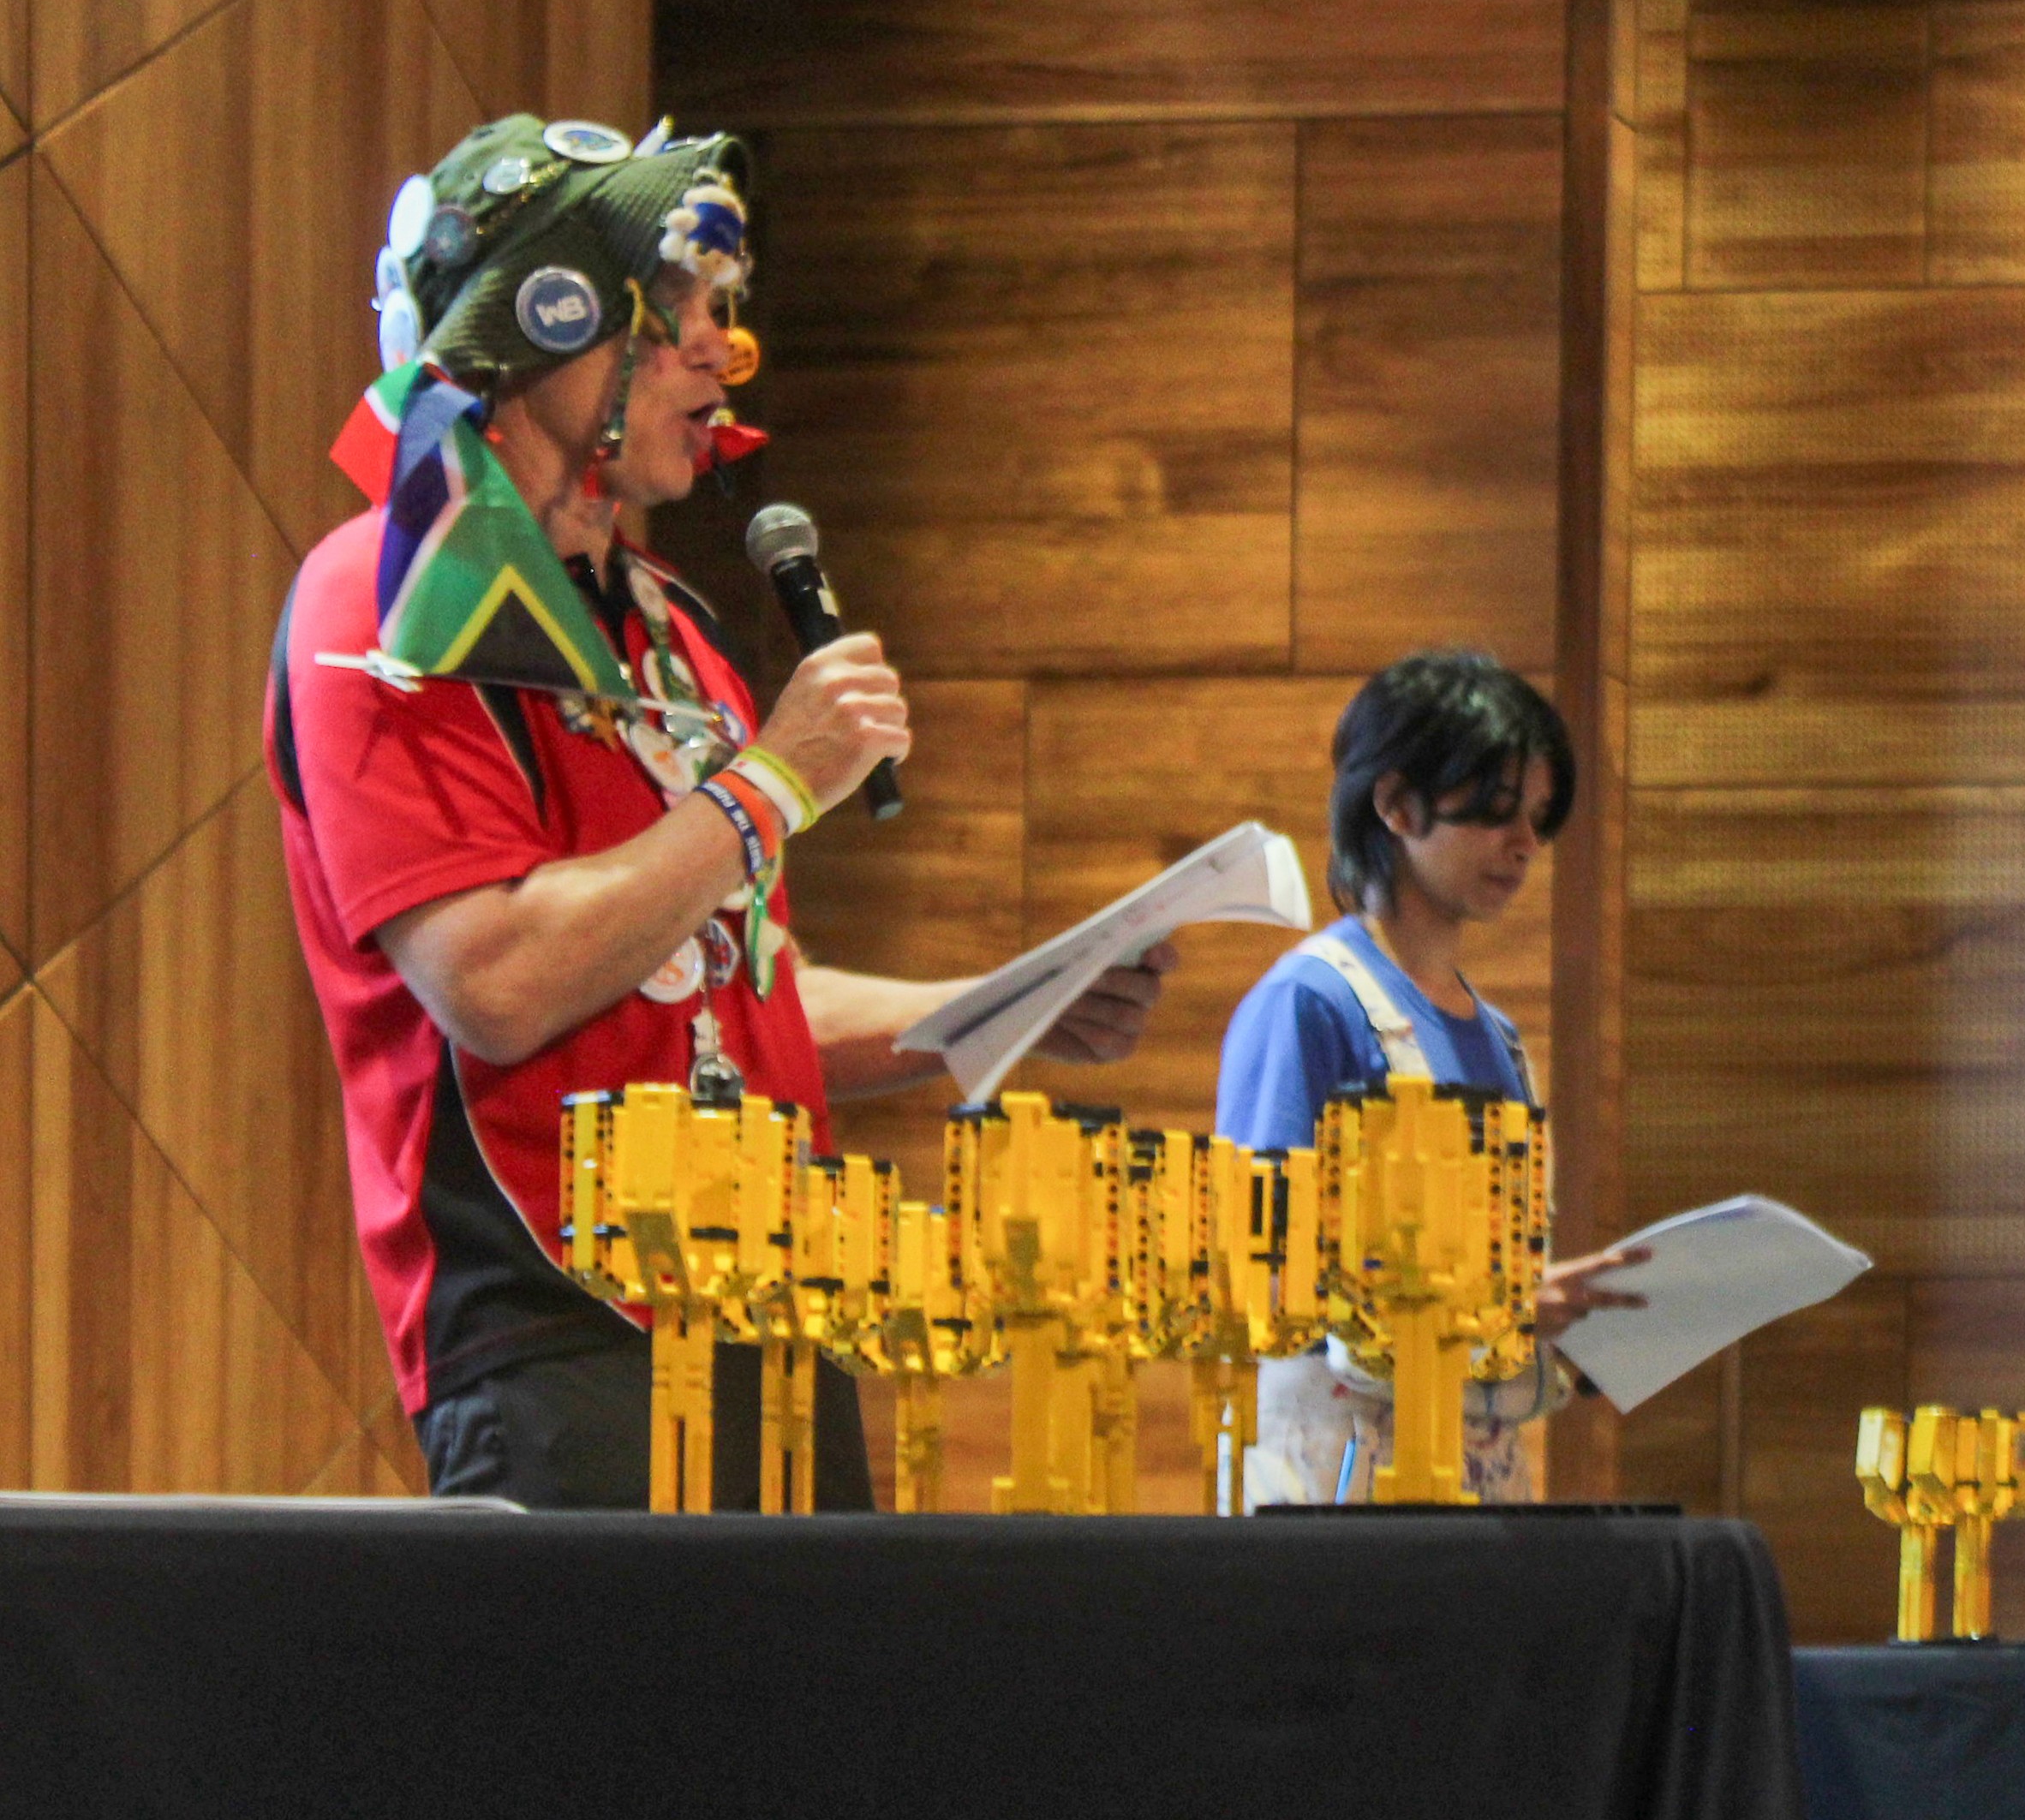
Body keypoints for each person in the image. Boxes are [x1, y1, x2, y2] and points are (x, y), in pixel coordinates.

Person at [268, 114, 1174, 1509]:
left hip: (778, 1311)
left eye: (723, 318)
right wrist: (770, 784)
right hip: (561, 1325)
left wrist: (993, 1006)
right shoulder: (382, 593)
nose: (720, 355)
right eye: (677, 315)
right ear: (544, 322)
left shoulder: (678, 631)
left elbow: (745, 989)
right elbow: (493, 981)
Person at [1216, 652, 1646, 1504]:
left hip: (1480, 1470)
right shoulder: (1309, 1003)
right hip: (1333, 1478)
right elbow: (1257, 1279)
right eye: (1495, 810)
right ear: (1397, 803)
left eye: (1537, 818)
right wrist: (1494, 1306)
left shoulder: (1502, 1041)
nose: (1524, 844)